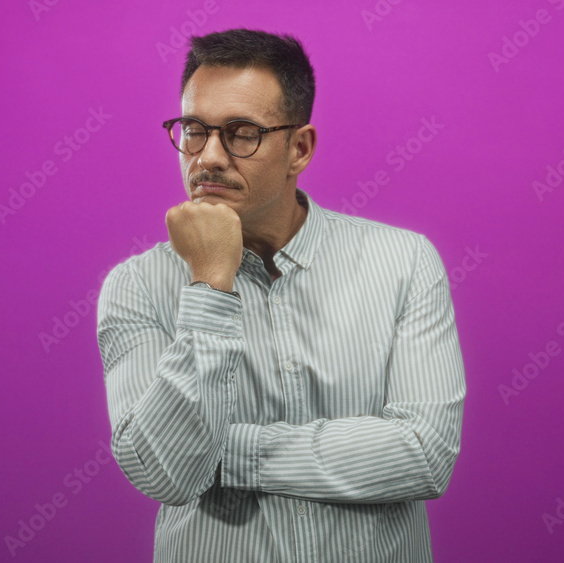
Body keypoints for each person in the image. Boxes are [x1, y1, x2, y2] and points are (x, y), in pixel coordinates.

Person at [96, 28, 466, 563]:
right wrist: (210, 283)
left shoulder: (403, 262)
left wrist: (226, 452)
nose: (208, 157)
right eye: (194, 130)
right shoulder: (135, 286)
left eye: (241, 133)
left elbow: (425, 455)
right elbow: (165, 474)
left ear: (299, 148)